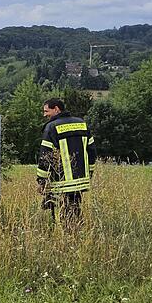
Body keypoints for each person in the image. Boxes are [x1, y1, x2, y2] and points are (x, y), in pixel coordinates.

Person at [37, 98, 97, 228]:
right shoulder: (82, 123)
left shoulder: (51, 127)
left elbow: (44, 156)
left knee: (60, 210)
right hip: (81, 179)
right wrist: (90, 172)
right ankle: (77, 233)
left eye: (46, 111)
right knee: (75, 207)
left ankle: (65, 236)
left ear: (57, 109)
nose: (44, 115)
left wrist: (41, 181)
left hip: (61, 180)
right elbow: (92, 151)